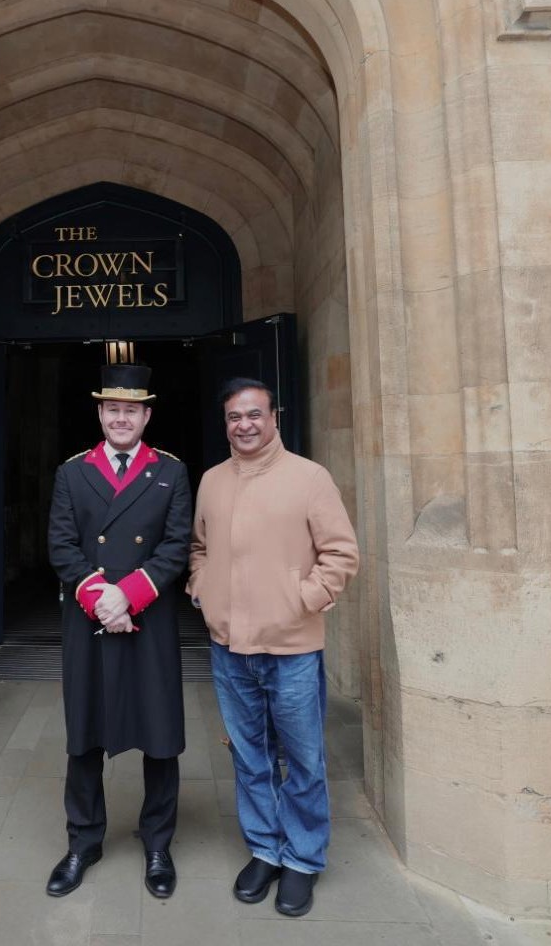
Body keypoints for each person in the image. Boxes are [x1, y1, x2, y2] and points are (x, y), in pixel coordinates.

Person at [188, 376, 359, 918]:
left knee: (304, 760)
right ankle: (264, 848)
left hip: (292, 648)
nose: (244, 425)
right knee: (249, 757)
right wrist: (201, 587)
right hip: (229, 647)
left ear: (274, 416)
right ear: (226, 423)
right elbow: (199, 548)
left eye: (254, 414)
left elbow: (340, 553)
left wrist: (302, 598)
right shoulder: (212, 480)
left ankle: (303, 859)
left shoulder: (309, 478)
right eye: (235, 417)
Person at [44, 363, 193, 899]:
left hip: (146, 617)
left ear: (147, 415)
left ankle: (158, 842)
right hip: (90, 621)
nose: (122, 418)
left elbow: (176, 545)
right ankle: (83, 841)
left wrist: (127, 594)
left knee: (160, 736)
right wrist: (100, 597)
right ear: (100, 413)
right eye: (113, 409)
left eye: (132, 409)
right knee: (84, 734)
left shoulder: (171, 472)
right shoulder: (72, 472)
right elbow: (61, 544)